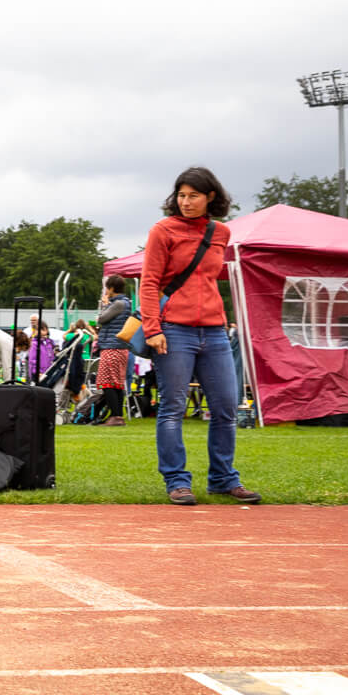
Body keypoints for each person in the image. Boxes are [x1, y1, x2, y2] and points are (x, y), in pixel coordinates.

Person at [141, 166, 260, 506]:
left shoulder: (220, 232)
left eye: (193, 195)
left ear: (210, 197)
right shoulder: (162, 230)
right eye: (181, 195)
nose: (186, 202)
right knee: (173, 408)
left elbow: (209, 280)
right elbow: (149, 282)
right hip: (174, 331)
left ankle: (223, 480)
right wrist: (153, 329)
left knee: (225, 407)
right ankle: (177, 481)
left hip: (215, 331)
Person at [94, 276, 134, 427]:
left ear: (111, 288)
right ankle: (117, 416)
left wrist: (104, 305)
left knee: (107, 383)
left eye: (107, 288)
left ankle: (116, 416)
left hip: (112, 346)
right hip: (120, 347)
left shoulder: (117, 304)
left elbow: (102, 319)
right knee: (116, 384)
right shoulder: (126, 303)